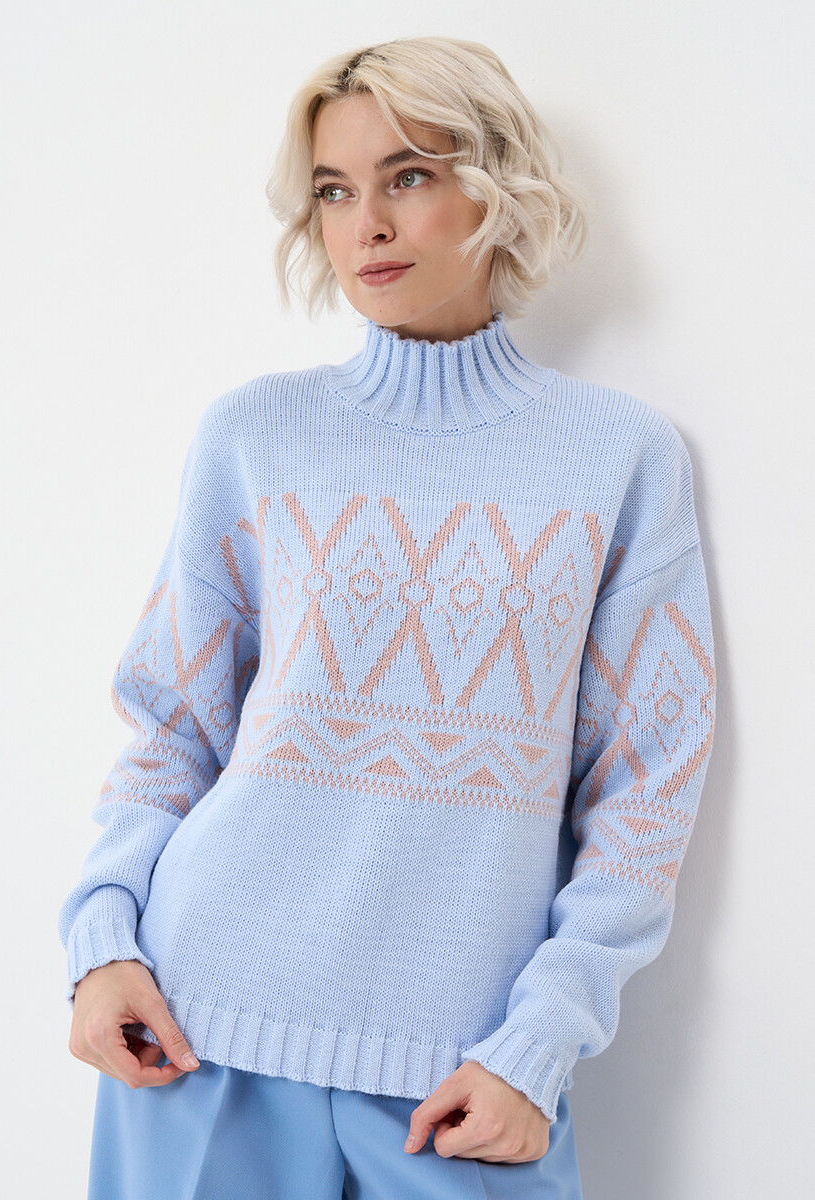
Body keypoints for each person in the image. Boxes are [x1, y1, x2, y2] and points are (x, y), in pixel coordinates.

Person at [59, 35, 716, 1200]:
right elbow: (172, 725)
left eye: (408, 176)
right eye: (333, 190)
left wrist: (541, 1041)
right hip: (199, 1031)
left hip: (465, 1079)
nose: (366, 223)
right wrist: (102, 939)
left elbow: (647, 785)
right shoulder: (256, 435)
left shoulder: (619, 458)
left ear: (498, 186)